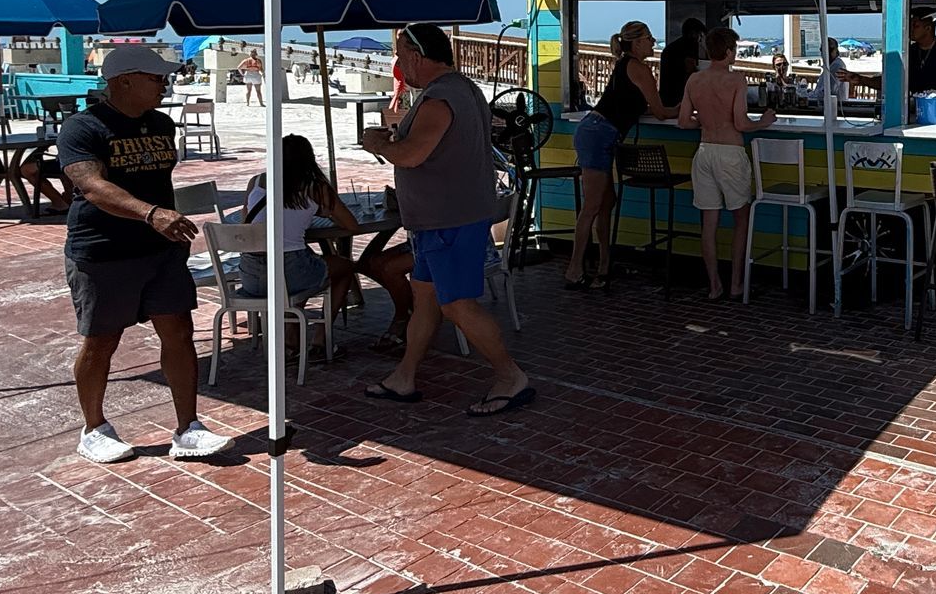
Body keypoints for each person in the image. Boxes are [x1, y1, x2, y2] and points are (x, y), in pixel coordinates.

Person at [58, 45, 233, 464]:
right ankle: (93, 428)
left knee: (178, 332)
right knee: (101, 340)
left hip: (160, 249)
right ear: (123, 82)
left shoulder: (161, 124)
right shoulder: (83, 129)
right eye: (155, 78)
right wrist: (151, 214)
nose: (164, 84)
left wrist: (162, 223)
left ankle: (188, 427)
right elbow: (93, 187)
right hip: (103, 250)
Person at [360, 22, 532, 416]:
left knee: (456, 303)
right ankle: (405, 376)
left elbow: (412, 154)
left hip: (448, 221)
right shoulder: (465, 89)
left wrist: (378, 143)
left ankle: (510, 376)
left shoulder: (439, 99)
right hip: (441, 219)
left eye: (402, 57)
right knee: (426, 299)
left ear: (418, 57)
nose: (399, 65)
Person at [240, 134, 405, 344]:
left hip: (251, 276)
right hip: (289, 273)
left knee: (306, 263)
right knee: (343, 268)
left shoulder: (256, 182)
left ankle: (291, 338)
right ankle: (321, 337)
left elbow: (247, 223)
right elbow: (351, 225)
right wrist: (320, 212)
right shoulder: (315, 188)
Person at [564, 20, 677, 290]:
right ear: (636, 42)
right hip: (598, 134)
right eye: (649, 38)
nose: (653, 42)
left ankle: (604, 263)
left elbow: (639, 107)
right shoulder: (639, 68)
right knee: (593, 206)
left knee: (606, 203)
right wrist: (688, 107)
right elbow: (661, 111)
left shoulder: (625, 65)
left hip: (598, 131)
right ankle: (574, 269)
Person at [679, 27, 777, 299]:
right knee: (740, 220)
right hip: (730, 153)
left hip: (704, 151)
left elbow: (684, 121)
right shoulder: (736, 80)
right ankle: (736, 284)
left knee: (708, 224)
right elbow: (741, 123)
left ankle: (714, 286)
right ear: (730, 51)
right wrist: (764, 122)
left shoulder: (694, 80)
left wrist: (706, 121)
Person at [658, 17, 706, 107]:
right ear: (694, 34)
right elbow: (690, 70)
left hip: (667, 95)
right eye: (701, 35)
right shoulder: (689, 47)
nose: (700, 39)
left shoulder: (671, 47)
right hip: (679, 96)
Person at [822, 38, 880, 104]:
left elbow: (828, 91)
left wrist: (859, 79)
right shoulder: (830, 66)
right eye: (823, 50)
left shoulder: (837, 66)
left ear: (837, 51)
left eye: (830, 49)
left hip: (835, 105)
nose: (826, 52)